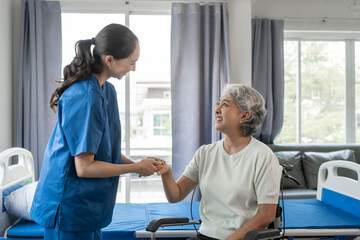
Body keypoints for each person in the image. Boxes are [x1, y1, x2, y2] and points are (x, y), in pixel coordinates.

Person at [30, 24, 162, 240]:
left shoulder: (107, 91)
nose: (134, 68)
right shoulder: (83, 96)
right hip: (68, 207)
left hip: (88, 207)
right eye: (132, 62)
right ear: (109, 60)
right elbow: (84, 167)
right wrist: (136, 167)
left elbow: (105, 150)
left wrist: (137, 164)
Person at [156, 84, 282, 240]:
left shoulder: (263, 157)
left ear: (244, 116)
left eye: (225, 104)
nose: (217, 109)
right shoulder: (205, 153)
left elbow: (266, 215)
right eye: (218, 103)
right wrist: (166, 172)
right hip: (204, 236)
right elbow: (176, 195)